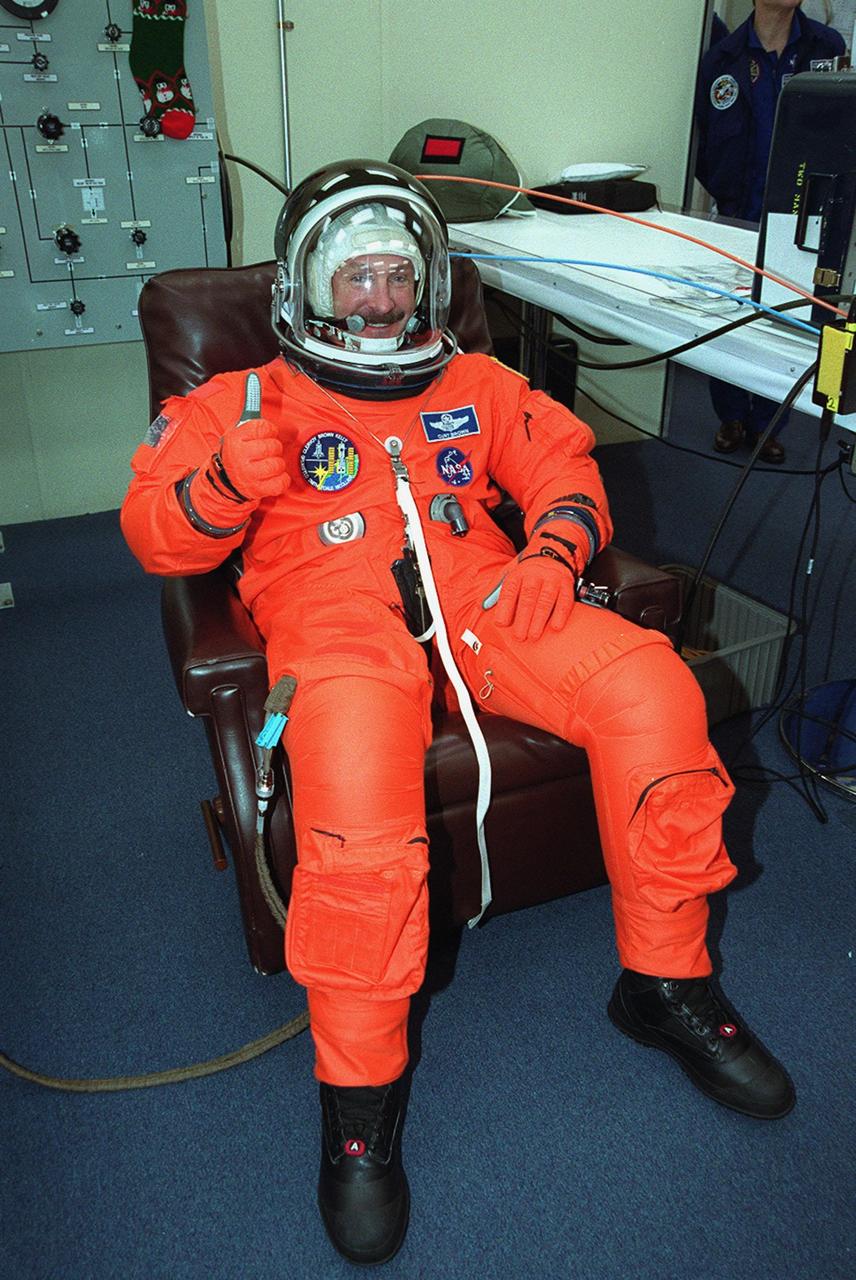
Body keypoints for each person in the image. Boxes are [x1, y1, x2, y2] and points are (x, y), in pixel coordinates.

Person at [121, 160, 795, 1267]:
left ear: (429, 284)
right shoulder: (241, 400)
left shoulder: (477, 382)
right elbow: (156, 535)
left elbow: (564, 468)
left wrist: (555, 549)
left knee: (655, 688)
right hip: (331, 622)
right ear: (299, 291)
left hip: (491, 595)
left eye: (397, 274)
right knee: (353, 795)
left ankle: (666, 980)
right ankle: (359, 1097)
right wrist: (224, 486)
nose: (379, 300)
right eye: (355, 278)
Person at [695, 0, 845, 464]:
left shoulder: (826, 47)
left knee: (788, 319)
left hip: (801, 214)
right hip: (738, 208)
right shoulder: (723, 56)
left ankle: (768, 422)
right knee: (732, 316)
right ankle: (731, 416)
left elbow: (842, 127)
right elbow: (706, 132)